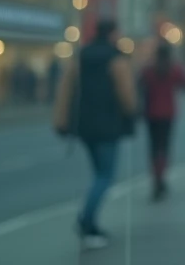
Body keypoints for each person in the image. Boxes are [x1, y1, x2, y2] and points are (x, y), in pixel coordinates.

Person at [53, 19, 137, 250]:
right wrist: (132, 112)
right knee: (105, 176)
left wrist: (61, 120)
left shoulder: (81, 56)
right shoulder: (115, 58)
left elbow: (65, 88)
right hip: (108, 125)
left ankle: (90, 222)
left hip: (84, 125)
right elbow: (126, 93)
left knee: (99, 173)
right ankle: (86, 221)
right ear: (113, 33)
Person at [139, 41, 185, 200]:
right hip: (168, 113)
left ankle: (156, 179)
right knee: (165, 147)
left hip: (151, 113)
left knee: (154, 147)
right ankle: (162, 177)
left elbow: (139, 83)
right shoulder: (173, 69)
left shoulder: (149, 69)